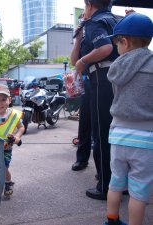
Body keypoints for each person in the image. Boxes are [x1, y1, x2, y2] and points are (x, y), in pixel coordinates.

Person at [104, 13, 153, 225]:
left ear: (124, 41)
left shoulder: (117, 66)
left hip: (118, 135)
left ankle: (111, 219)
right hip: (145, 138)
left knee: (116, 183)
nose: (117, 48)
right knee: (139, 190)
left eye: (117, 43)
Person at [75, 0, 119, 200]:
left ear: (89, 4)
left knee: (101, 132)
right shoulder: (115, 21)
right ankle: (118, 181)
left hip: (101, 78)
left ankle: (105, 185)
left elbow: (105, 48)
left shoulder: (95, 22)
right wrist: (79, 37)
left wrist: (84, 61)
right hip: (119, 77)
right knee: (116, 132)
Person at [70, 11, 92, 172]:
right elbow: (73, 61)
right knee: (84, 122)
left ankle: (104, 167)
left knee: (100, 125)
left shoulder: (100, 28)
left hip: (101, 80)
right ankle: (82, 159)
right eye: (81, 17)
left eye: (84, 16)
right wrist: (78, 38)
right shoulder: (83, 37)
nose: (82, 19)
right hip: (87, 83)